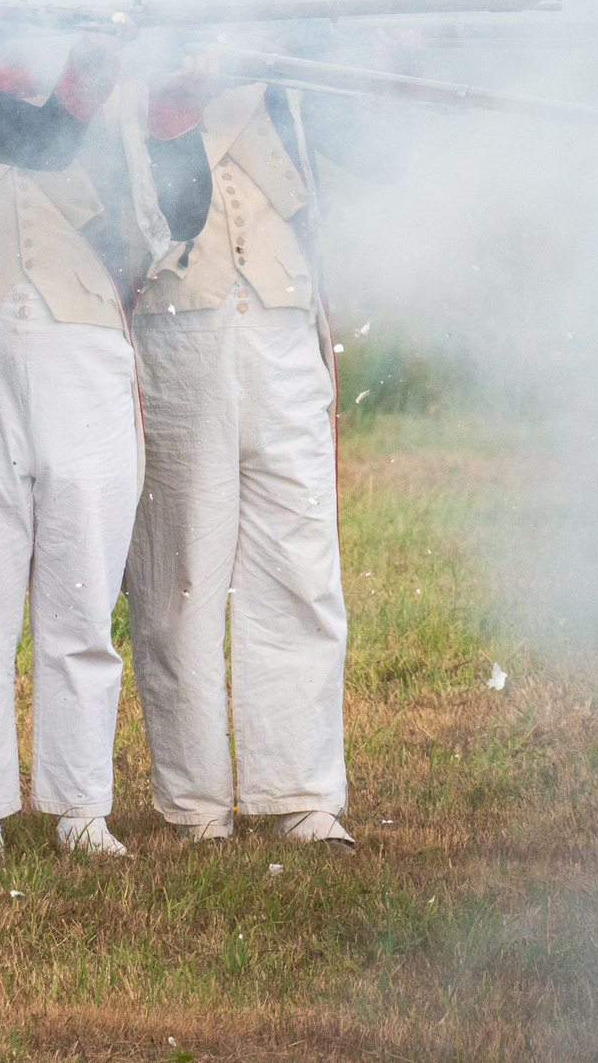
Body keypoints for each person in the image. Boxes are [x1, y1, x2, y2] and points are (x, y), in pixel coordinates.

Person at [125, 52, 401, 850]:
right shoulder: (139, 33)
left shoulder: (288, 47)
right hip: (179, 320)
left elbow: (379, 149)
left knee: (300, 563)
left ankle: (301, 792)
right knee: (181, 572)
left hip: (282, 317)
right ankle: (195, 802)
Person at [0, 17, 144, 860]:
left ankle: (82, 801)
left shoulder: (103, 34)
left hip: (80, 323)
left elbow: (152, 204)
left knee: (84, 575)